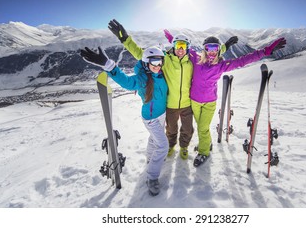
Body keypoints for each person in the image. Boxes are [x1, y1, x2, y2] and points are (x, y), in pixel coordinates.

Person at [176, 34, 286, 167]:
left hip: (209, 102)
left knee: (203, 127)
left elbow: (243, 60)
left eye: (215, 48)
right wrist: (172, 38)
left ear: (218, 50)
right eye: (208, 48)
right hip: (194, 100)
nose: (212, 52)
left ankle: (204, 151)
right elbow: (180, 47)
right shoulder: (196, 59)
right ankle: (207, 142)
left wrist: (265, 51)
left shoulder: (222, 65)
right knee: (201, 127)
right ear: (204, 49)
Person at [80, 45, 168, 196]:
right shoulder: (143, 79)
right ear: (147, 63)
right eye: (154, 62)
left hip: (161, 115)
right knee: (163, 146)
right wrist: (109, 66)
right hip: (151, 118)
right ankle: (152, 177)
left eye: (160, 62)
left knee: (154, 140)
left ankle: (149, 160)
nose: (158, 65)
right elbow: (126, 82)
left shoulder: (160, 74)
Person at [108, 20, 196, 160]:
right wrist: (125, 39)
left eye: (183, 46)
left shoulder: (192, 62)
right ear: (173, 46)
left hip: (187, 103)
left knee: (187, 129)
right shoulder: (166, 60)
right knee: (171, 129)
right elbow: (141, 54)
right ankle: (171, 145)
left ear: (187, 48)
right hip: (171, 104)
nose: (180, 49)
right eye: (178, 45)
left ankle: (184, 147)